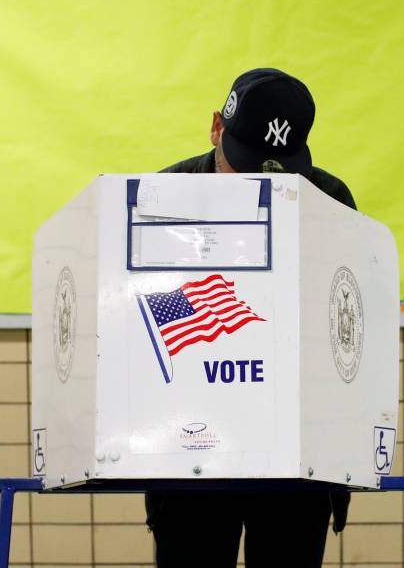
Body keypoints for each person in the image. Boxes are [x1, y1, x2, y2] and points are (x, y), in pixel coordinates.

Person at [146, 68, 356, 568]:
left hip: (295, 457)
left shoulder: (327, 198)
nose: (260, 183)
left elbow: (342, 318)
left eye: (276, 168)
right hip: (190, 454)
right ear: (217, 127)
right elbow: (146, 313)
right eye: (245, 166)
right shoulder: (161, 197)